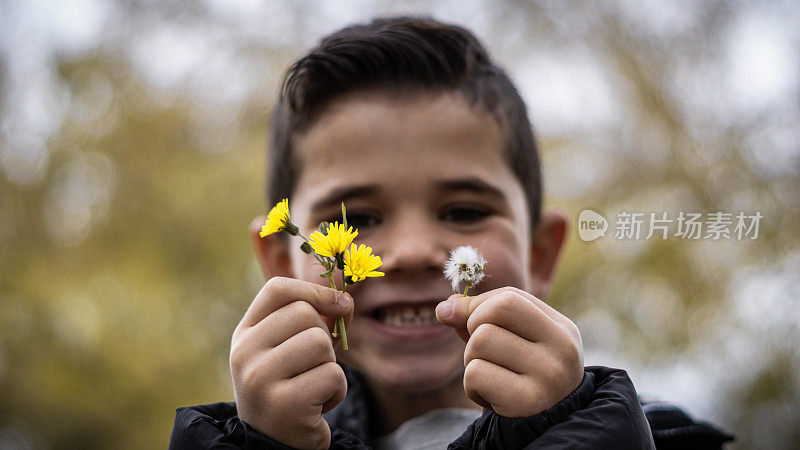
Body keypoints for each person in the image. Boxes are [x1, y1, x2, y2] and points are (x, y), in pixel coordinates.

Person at [169, 16, 734, 449]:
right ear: (278, 259)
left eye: (464, 212)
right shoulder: (241, 439)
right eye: (355, 220)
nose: (413, 253)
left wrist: (567, 432)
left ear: (540, 253)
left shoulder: (649, 437)